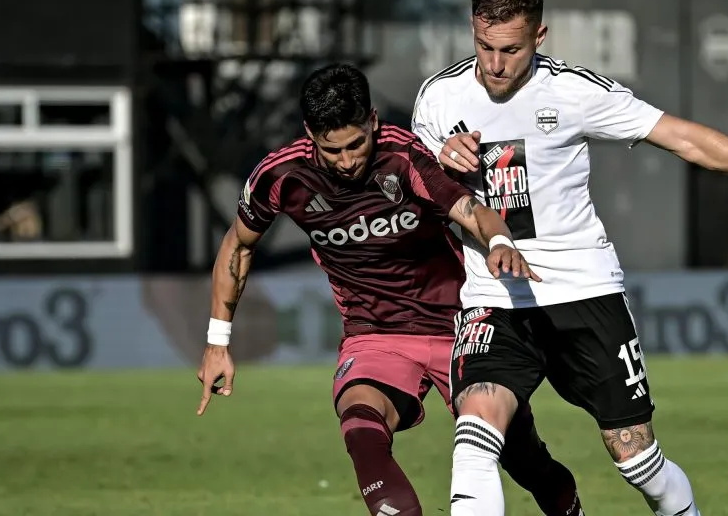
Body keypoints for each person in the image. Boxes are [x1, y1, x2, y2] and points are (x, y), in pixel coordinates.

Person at [411, 0, 728, 516]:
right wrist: (438, 160)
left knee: (636, 459)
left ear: (540, 36)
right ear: (472, 30)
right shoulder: (438, 99)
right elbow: (416, 191)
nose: (496, 64)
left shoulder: (574, 92)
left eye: (511, 49)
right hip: (496, 297)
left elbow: (682, 138)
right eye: (485, 46)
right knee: (476, 433)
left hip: (583, 289)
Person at [196, 63, 586, 516]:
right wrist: (217, 341)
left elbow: (470, 210)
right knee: (360, 423)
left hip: (461, 327)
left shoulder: (405, 158)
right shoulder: (282, 177)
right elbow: (237, 248)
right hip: (374, 333)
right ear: (310, 134)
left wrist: (499, 242)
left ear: (374, 122)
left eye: (356, 144)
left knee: (524, 460)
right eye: (332, 150)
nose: (346, 162)